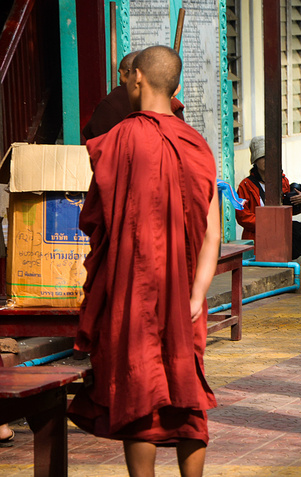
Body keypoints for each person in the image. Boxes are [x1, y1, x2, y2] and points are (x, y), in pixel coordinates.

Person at [67, 45, 220, 475]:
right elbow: (212, 229)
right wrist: (198, 293)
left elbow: (96, 222)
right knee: (185, 385)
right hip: (185, 293)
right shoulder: (197, 144)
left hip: (133, 293)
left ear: (137, 79)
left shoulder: (119, 139)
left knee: (140, 388)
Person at [235, 135, 301, 259]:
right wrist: (269, 222)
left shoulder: (282, 180)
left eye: (269, 156)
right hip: (257, 241)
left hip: (280, 240)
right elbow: (242, 216)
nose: (267, 160)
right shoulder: (246, 185)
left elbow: (290, 210)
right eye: (262, 157)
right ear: (254, 160)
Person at [82, 51, 185, 140]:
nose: (119, 78)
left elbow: (97, 140)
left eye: (120, 73)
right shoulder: (167, 98)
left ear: (135, 75)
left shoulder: (116, 99)